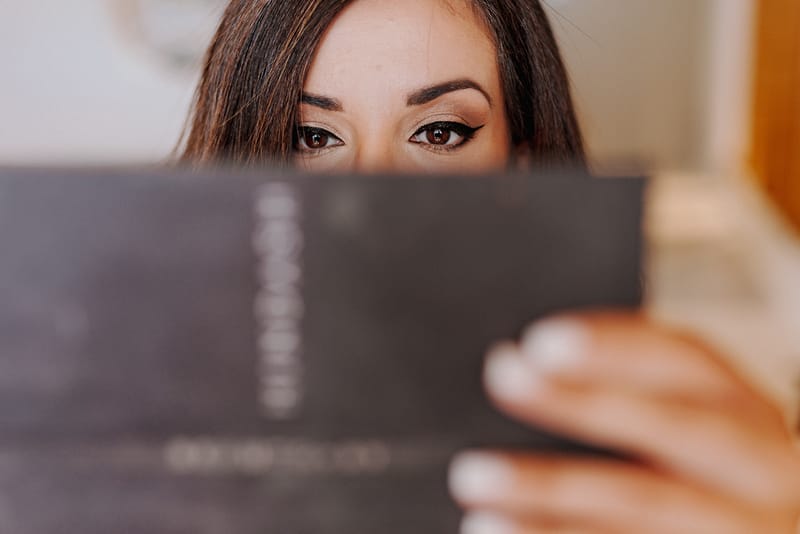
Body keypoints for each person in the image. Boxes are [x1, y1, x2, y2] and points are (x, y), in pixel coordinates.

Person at [181, 0, 800, 531]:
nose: (372, 199)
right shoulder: (155, 456)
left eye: (440, 133)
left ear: (521, 168)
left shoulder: (637, 461)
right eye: (312, 138)